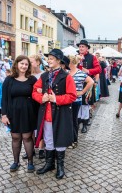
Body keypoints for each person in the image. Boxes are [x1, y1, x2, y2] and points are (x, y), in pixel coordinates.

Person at [32, 48, 77, 179]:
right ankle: (49, 164)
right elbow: (34, 91)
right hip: (46, 113)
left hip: (61, 113)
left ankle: (60, 167)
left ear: (58, 60)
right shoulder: (44, 76)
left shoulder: (66, 76)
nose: (49, 60)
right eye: (49, 58)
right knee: (48, 139)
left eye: (51, 58)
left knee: (60, 139)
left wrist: (55, 98)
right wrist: (42, 98)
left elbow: (72, 96)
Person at [1, 55, 38, 173]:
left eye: (26, 64)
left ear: (28, 66)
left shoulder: (32, 79)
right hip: (13, 112)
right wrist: (4, 114)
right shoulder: (9, 79)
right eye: (22, 63)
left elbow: (37, 95)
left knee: (27, 137)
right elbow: (4, 99)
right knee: (15, 137)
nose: (24, 66)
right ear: (16, 64)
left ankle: (30, 162)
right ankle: (16, 162)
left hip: (28, 111)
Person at [21, 54, 45, 160]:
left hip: (40, 104)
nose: (29, 64)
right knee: (30, 127)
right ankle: (30, 149)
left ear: (38, 62)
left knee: (41, 126)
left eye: (31, 62)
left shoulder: (44, 75)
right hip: (29, 105)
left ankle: (41, 149)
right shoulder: (26, 75)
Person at [68, 55, 94, 147]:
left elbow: (91, 81)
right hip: (66, 100)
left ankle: (74, 140)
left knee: (74, 120)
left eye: (68, 62)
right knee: (67, 120)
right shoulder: (66, 72)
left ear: (72, 63)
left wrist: (82, 92)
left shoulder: (80, 73)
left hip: (76, 100)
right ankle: (68, 139)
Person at [77, 40, 101, 130]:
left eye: (83, 46)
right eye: (80, 46)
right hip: (76, 83)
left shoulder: (92, 57)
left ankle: (84, 124)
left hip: (87, 83)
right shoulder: (75, 56)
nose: (81, 48)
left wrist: (88, 71)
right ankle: (77, 122)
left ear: (87, 48)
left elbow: (98, 69)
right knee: (77, 103)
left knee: (85, 104)